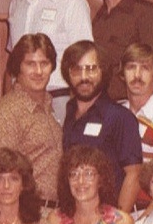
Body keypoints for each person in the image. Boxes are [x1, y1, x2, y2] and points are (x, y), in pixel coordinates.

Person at [7, 0, 92, 112]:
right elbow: (12, 59)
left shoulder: (72, 2)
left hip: (58, 99)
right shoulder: (17, 3)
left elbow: (85, 60)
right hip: (19, 100)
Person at [59, 40, 142, 211]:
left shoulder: (120, 117)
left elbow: (134, 175)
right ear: (68, 74)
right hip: (76, 216)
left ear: (103, 72)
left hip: (109, 216)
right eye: (76, 69)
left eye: (91, 69)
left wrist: (115, 221)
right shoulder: (69, 113)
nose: (84, 77)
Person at [0, 33, 63, 202]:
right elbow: (1, 177)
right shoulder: (6, 113)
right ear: (18, 67)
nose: (39, 71)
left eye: (44, 63)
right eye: (30, 64)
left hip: (53, 211)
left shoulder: (48, 107)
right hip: (26, 211)